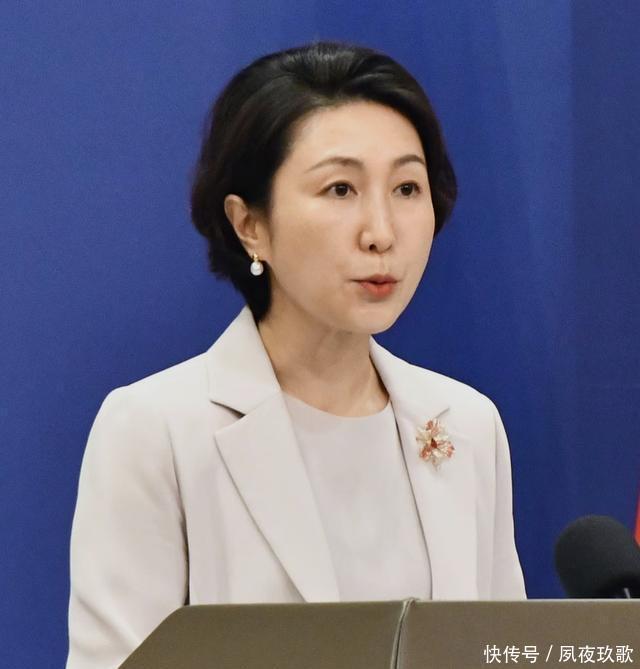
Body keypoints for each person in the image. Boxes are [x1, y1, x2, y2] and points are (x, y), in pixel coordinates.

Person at [66, 40, 526, 669]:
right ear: (249, 224)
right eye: (340, 189)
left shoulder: (466, 423)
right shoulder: (156, 430)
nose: (381, 232)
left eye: (406, 187)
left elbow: (498, 651)